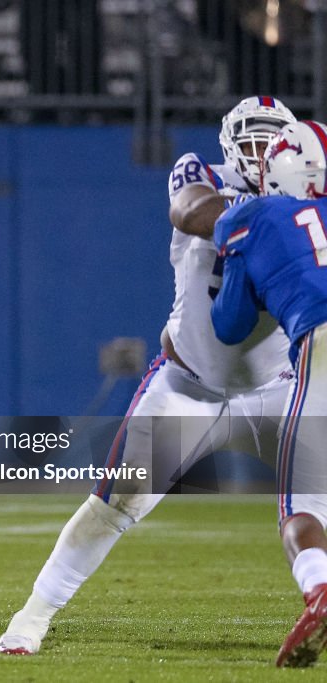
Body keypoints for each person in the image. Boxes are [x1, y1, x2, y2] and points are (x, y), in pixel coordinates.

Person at [0, 96, 297, 655]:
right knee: (119, 502)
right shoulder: (203, 172)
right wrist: (269, 214)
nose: (261, 152)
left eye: (272, 139)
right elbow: (190, 211)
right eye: (251, 140)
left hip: (280, 387)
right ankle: (33, 614)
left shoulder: (311, 193)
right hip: (190, 383)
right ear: (232, 144)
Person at [211, 119, 327, 668]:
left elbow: (230, 326)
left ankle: (320, 590)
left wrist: (249, 267)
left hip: (322, 343)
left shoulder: (253, 217)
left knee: (301, 508)